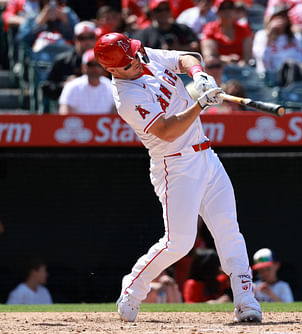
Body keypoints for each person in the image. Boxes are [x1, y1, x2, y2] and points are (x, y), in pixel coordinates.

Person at [93, 32, 262, 323]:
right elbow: (167, 130)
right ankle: (132, 288)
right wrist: (199, 104)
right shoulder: (127, 97)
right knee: (179, 242)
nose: (137, 58)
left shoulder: (143, 57)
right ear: (113, 69)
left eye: (134, 52)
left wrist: (199, 76)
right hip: (175, 166)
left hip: (206, 155)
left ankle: (246, 300)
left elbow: (187, 59)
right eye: (129, 60)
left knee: (228, 229)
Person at [42, 20, 97, 101]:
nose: (87, 42)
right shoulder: (63, 60)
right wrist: (65, 86)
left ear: (96, 39)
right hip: (71, 107)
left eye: (91, 37)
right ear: (75, 39)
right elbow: (47, 88)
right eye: (81, 38)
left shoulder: (104, 60)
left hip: (101, 106)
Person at [58, 49, 115, 114]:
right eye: (91, 64)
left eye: (98, 64)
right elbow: (64, 113)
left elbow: (115, 114)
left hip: (103, 123)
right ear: (83, 67)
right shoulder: (72, 86)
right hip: (78, 124)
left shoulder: (111, 87)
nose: (95, 68)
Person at [252, 4, 302, 74]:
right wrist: (270, 38)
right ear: (270, 19)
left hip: (292, 75)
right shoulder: (261, 35)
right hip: (268, 76)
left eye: (283, 16)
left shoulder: (296, 37)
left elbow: (301, 59)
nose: (281, 19)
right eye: (277, 16)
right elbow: (261, 59)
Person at [133, 0, 200, 52]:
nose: (163, 13)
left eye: (166, 9)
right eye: (159, 10)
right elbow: (138, 52)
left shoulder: (182, 28)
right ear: (152, 13)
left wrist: (178, 48)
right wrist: (161, 53)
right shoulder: (144, 34)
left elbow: (196, 45)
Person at [200, 0, 253, 66]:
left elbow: (247, 57)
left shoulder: (244, 29)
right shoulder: (210, 28)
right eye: (223, 8)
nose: (227, 11)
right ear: (217, 12)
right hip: (217, 68)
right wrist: (226, 59)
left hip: (240, 71)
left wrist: (242, 64)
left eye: (230, 8)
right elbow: (209, 56)